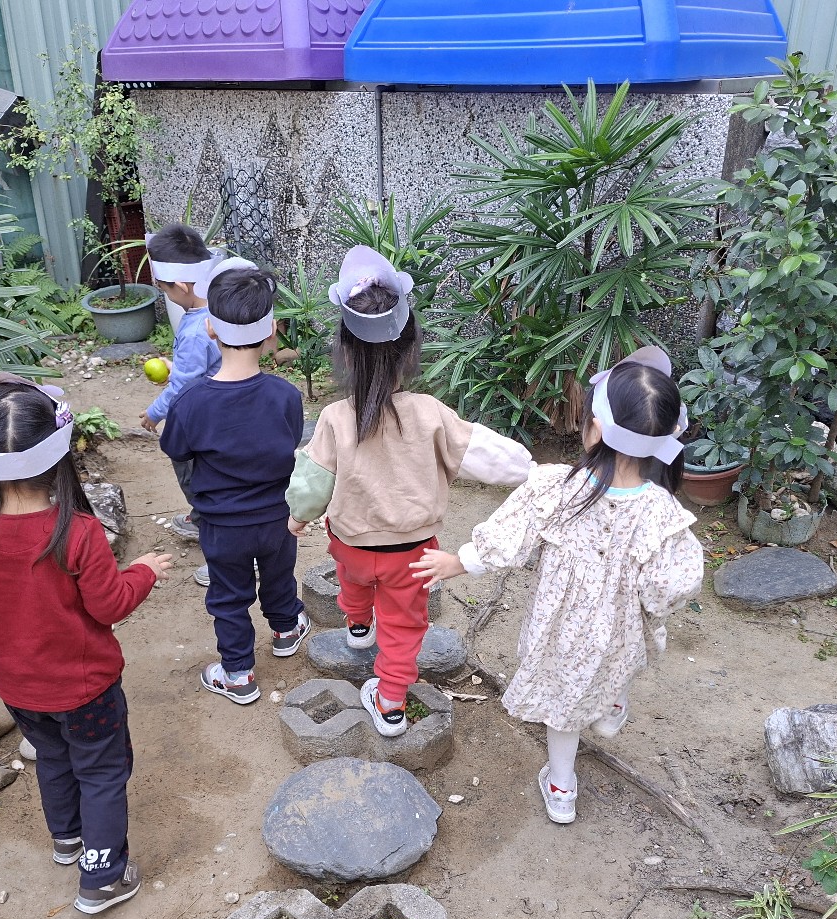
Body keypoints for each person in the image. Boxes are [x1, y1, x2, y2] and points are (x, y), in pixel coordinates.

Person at [411, 347, 704, 824]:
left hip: (561, 630)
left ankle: (562, 787)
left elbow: (508, 537)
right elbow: (672, 585)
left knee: (562, 704)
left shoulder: (555, 487)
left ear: (595, 429)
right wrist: (645, 600)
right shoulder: (664, 514)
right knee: (615, 664)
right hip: (620, 629)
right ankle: (610, 707)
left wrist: (456, 562)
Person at [0, 373, 173, 913]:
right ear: (58, 451)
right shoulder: (78, 531)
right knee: (102, 772)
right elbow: (109, 605)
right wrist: (143, 571)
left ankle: (67, 839)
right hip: (86, 689)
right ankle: (102, 878)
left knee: (52, 757)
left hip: (18, 689)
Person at [287, 246, 532, 739]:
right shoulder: (430, 412)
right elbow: (489, 455)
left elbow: (312, 483)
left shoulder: (335, 418)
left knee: (353, 581)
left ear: (344, 352)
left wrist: (297, 517)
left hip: (352, 544)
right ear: (410, 349)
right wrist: (532, 469)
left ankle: (358, 626)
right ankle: (392, 704)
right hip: (413, 554)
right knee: (402, 627)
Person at [160, 259, 311, 705]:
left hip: (222, 525)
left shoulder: (191, 402)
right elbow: (291, 440)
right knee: (279, 576)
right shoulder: (285, 395)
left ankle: (238, 673)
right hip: (277, 519)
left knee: (228, 597)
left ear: (210, 329)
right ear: (271, 331)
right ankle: (286, 630)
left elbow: (176, 449)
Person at [140, 223, 222, 586]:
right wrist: (179, 367)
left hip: (200, 422)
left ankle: (219, 541)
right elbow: (207, 367)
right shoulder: (218, 313)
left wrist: (154, 413)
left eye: (165, 289)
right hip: (221, 415)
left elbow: (183, 388)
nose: (165, 295)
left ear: (182, 286)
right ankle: (204, 518)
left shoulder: (192, 332)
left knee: (196, 477)